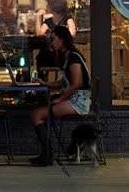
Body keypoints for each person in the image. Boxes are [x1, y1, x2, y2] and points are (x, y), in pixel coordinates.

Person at [28, 25, 91, 166]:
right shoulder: (68, 56)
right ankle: (47, 153)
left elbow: (77, 84)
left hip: (78, 102)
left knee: (36, 114)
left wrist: (61, 99)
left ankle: (47, 155)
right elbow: (63, 83)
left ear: (62, 40)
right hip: (75, 99)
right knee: (39, 111)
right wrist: (45, 83)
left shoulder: (73, 58)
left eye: (54, 39)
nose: (52, 42)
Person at [35, 0, 77, 70]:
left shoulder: (67, 19)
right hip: (51, 53)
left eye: (48, 4)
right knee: (41, 55)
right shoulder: (49, 21)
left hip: (63, 52)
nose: (46, 6)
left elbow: (72, 34)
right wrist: (38, 17)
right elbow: (39, 34)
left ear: (53, 7)